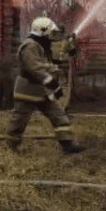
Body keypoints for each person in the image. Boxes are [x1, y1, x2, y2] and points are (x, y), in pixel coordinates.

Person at [8, 16, 87, 154]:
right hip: (27, 91)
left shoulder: (42, 46)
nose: (52, 37)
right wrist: (53, 83)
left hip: (43, 91)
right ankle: (11, 146)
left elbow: (57, 58)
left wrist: (69, 47)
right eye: (50, 33)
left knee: (59, 115)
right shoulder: (30, 46)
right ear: (42, 32)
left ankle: (67, 145)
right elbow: (35, 68)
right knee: (19, 120)